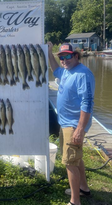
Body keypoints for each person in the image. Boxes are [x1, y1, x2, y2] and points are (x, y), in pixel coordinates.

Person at [48, 42, 95, 205]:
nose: (64, 60)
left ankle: (75, 201)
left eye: (67, 56)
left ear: (76, 56)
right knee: (76, 159)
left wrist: (80, 129)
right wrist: (49, 53)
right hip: (65, 122)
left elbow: (87, 103)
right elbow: (55, 69)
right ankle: (83, 188)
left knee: (69, 162)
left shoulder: (83, 74)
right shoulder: (66, 71)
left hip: (74, 125)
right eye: (61, 57)